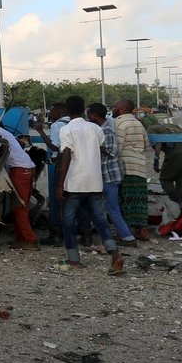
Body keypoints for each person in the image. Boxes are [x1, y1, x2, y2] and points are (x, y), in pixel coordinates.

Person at [55, 96, 125, 275]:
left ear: (67, 110)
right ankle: (115, 254)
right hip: (95, 182)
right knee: (100, 221)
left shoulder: (66, 129)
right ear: (84, 109)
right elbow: (101, 150)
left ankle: (74, 259)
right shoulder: (95, 128)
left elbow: (67, 156)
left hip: (75, 183)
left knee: (68, 221)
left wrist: (60, 185)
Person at [86, 103, 137, 247]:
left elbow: (111, 150)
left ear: (95, 115)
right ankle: (117, 235)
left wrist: (91, 145)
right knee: (107, 207)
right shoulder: (102, 128)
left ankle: (128, 237)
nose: (88, 117)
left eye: (89, 114)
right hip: (106, 174)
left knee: (112, 208)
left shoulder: (107, 130)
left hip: (109, 175)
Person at [0, 119, 39, 250]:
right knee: (21, 206)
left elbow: (1, 150)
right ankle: (22, 238)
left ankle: (30, 240)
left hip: (20, 169)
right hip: (27, 167)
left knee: (19, 206)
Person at [112, 99, 152, 241]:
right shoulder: (137, 123)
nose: (113, 108)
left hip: (126, 166)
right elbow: (147, 144)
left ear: (122, 108)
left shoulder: (119, 123)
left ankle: (126, 232)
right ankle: (143, 230)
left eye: (115, 106)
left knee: (126, 200)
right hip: (140, 166)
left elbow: (117, 147)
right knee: (140, 200)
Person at [34, 103, 69, 244]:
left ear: (61, 111)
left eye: (53, 111)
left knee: (56, 200)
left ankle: (56, 234)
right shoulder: (72, 123)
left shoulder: (57, 125)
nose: (51, 114)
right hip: (73, 165)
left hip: (58, 163)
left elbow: (55, 146)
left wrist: (41, 132)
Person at [148, 121, 182, 214]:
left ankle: (178, 201)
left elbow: (158, 144)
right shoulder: (173, 125)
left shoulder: (150, 129)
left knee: (165, 180)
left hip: (177, 154)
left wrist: (156, 162)